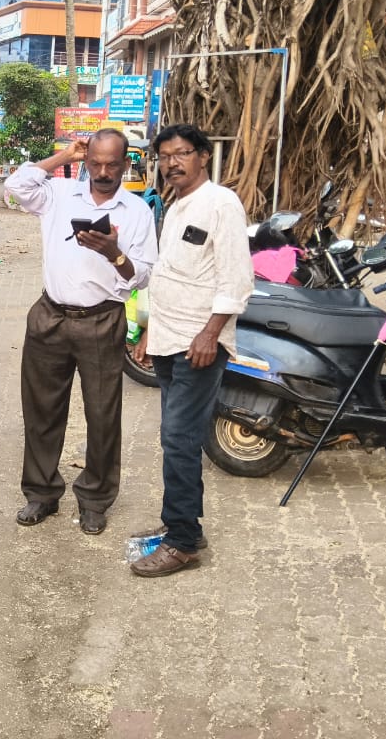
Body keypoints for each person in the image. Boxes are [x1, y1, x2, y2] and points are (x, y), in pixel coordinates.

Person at [4, 129, 158, 536]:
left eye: (112, 165)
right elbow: (16, 186)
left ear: (126, 164)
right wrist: (63, 157)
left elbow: (143, 276)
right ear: (86, 161)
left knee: (103, 415)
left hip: (102, 320)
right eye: (96, 163)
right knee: (41, 411)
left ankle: (94, 500)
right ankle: (41, 493)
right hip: (50, 316)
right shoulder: (58, 194)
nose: (103, 172)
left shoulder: (137, 211)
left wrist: (114, 253)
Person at [130, 123, 253, 577]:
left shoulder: (221, 203)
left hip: (198, 344)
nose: (172, 163)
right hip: (170, 338)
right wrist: (150, 332)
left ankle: (182, 543)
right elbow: (168, 275)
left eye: (181, 153)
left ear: (203, 156)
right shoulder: (176, 204)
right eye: (165, 156)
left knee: (178, 438)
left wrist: (210, 333)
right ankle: (185, 527)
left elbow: (237, 278)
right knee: (177, 436)